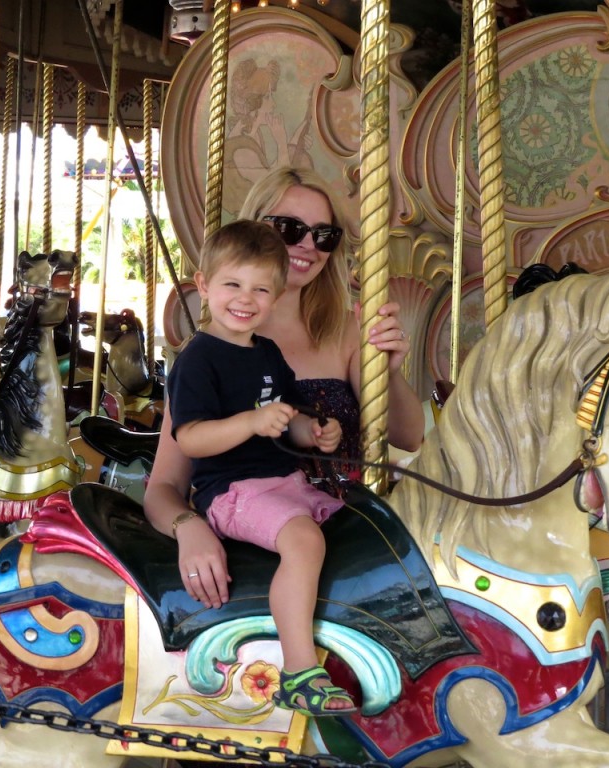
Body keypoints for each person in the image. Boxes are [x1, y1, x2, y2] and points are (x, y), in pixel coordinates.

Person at [145, 166, 425, 609]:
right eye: (289, 228)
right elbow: (164, 485)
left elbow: (410, 436)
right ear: (254, 229)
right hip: (257, 539)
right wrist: (188, 528)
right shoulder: (209, 355)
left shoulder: (346, 332)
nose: (307, 246)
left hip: (345, 532)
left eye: (324, 235)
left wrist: (388, 372)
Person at [167, 218, 354, 715]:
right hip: (234, 492)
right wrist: (251, 420)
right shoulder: (198, 360)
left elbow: (288, 418)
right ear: (204, 285)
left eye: (260, 289)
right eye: (232, 284)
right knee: (304, 541)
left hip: (284, 482)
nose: (245, 299)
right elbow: (191, 437)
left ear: (275, 296)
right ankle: (299, 672)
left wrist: (314, 430)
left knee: (356, 534)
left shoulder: (267, 352)